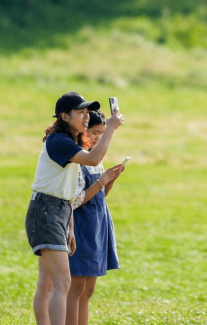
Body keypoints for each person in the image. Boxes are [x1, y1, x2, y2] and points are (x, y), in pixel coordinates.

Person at [25, 92, 123, 325]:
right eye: (80, 112)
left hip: (58, 211)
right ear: (65, 116)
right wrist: (110, 128)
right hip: (46, 210)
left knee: (51, 283)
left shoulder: (69, 142)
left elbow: (67, 191)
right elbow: (93, 159)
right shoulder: (59, 141)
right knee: (62, 282)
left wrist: (69, 225)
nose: (86, 117)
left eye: (87, 112)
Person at [66, 110, 124, 325]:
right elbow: (76, 200)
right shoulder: (78, 159)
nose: (98, 137)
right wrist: (102, 181)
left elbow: (98, 197)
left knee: (88, 290)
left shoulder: (96, 160)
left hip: (97, 226)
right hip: (81, 227)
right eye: (94, 132)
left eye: (101, 133)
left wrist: (108, 182)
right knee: (76, 288)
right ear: (82, 131)